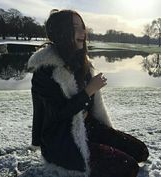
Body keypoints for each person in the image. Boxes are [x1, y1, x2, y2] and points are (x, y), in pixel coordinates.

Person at [28, 9, 149, 177]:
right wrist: (89, 90)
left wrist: (89, 95)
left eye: (82, 27)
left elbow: (89, 106)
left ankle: (96, 145)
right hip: (61, 139)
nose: (83, 32)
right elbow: (57, 115)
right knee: (129, 167)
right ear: (61, 32)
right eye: (75, 27)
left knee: (141, 152)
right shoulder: (45, 71)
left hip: (88, 126)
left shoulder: (81, 62)